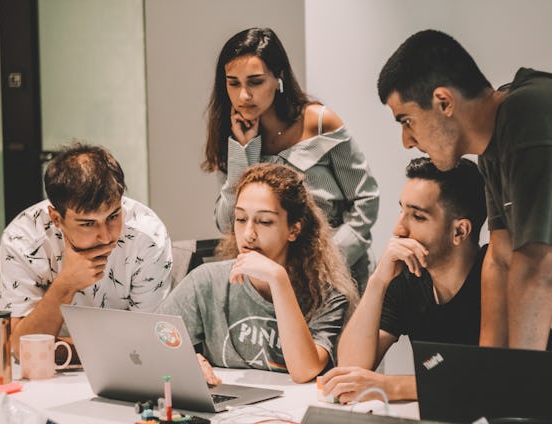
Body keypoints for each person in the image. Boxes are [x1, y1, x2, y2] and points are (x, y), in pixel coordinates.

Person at [377, 29, 552, 350]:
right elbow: (501, 259)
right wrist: (486, 367)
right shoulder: (495, 146)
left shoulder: (530, 115)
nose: (407, 141)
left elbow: (537, 266)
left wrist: (513, 377)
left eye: (406, 121)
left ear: (443, 101)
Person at [203, 27, 379, 293]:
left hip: (338, 277)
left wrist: (332, 260)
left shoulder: (320, 122)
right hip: (267, 281)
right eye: (234, 83)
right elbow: (228, 222)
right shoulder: (232, 133)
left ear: (278, 78)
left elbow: (366, 200)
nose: (243, 96)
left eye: (255, 82)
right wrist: (244, 150)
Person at [159, 163, 358, 384]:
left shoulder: (326, 295)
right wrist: (184, 362)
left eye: (264, 221)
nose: (249, 234)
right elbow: (150, 342)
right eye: (241, 219)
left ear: (294, 229)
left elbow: (304, 371)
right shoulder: (207, 281)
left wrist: (278, 279)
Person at [321, 157, 488, 402]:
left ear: (459, 231)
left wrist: (391, 386)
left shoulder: (497, 274)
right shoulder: (408, 276)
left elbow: (496, 379)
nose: (398, 229)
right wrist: (378, 280)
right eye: (402, 211)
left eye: (418, 217)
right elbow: (351, 366)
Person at [0, 142, 173, 357]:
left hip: (127, 371)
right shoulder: (22, 240)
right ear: (56, 218)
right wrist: (65, 285)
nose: (107, 236)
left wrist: (60, 348)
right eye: (88, 224)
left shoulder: (148, 237)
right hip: (45, 375)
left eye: (113, 216)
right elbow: (18, 347)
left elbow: (149, 342)